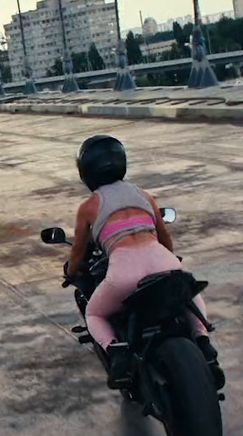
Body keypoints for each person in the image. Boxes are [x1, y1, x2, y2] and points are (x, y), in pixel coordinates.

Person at [65, 135, 220, 388]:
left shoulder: (89, 207)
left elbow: (79, 250)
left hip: (124, 269)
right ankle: (202, 339)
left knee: (94, 313)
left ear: (86, 172)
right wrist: (170, 259)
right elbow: (164, 236)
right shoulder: (144, 194)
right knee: (187, 294)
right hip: (161, 258)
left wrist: (71, 272)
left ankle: (117, 352)